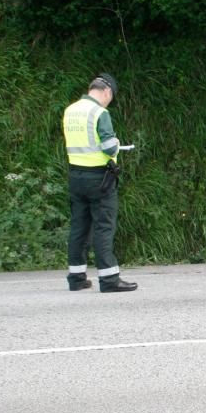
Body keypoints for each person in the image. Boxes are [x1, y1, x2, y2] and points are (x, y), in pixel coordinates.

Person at [62, 73, 137, 292]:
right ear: (106, 92)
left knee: (79, 225)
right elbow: (108, 146)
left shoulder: (70, 110)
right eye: (110, 97)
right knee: (104, 226)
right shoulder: (99, 113)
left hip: (75, 175)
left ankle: (76, 277)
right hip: (99, 178)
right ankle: (109, 279)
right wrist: (118, 143)